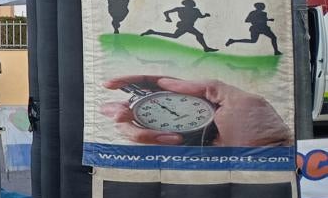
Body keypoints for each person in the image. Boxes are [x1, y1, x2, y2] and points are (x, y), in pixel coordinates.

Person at [100, 75, 291, 147]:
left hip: (208, 127)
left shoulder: (217, 103)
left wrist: (269, 144)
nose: (173, 114)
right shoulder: (136, 110)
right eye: (147, 113)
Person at [142, 0, 217, 53]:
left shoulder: (195, 10)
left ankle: (153, 32)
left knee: (175, 36)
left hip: (188, 25)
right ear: (185, 4)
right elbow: (166, 12)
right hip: (184, 25)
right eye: (188, 4)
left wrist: (205, 15)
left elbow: (200, 16)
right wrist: (168, 18)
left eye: (190, 4)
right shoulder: (180, 9)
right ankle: (206, 48)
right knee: (199, 34)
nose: (189, 6)